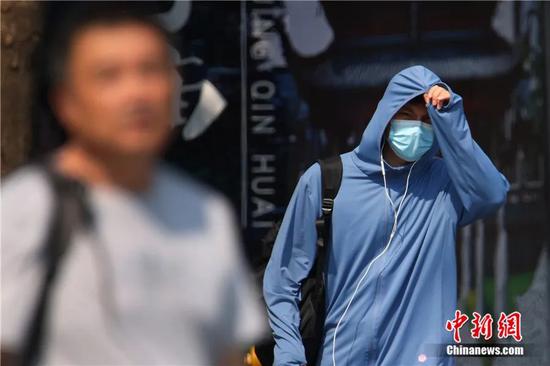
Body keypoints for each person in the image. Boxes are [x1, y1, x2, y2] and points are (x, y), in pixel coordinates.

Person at [1, 5, 267, 366]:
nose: (137, 94)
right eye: (109, 76)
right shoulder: (23, 211)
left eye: (151, 71)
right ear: (66, 101)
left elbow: (226, 355)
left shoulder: (206, 214)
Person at [263, 65, 510, 366]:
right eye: (406, 116)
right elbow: (282, 279)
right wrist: (289, 354)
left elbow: (493, 194)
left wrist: (450, 118)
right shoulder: (326, 180)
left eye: (426, 121)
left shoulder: (445, 185)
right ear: (385, 115)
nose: (417, 128)